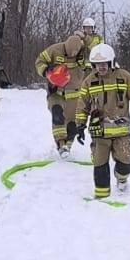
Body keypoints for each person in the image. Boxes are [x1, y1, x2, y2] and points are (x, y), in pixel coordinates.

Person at [69, 43, 130, 202]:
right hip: (99, 134)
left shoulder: (125, 77)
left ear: (111, 62)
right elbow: (82, 106)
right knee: (100, 166)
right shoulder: (88, 82)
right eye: (98, 64)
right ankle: (101, 199)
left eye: (104, 63)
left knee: (127, 164)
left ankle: (121, 177)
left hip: (121, 133)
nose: (101, 67)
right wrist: (80, 126)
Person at [33, 14, 100, 155]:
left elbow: (98, 48)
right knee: (57, 115)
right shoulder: (54, 50)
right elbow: (39, 61)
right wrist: (46, 71)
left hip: (75, 94)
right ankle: (60, 143)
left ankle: (67, 146)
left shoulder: (85, 51)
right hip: (56, 92)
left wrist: (85, 38)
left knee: (72, 124)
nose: (72, 56)